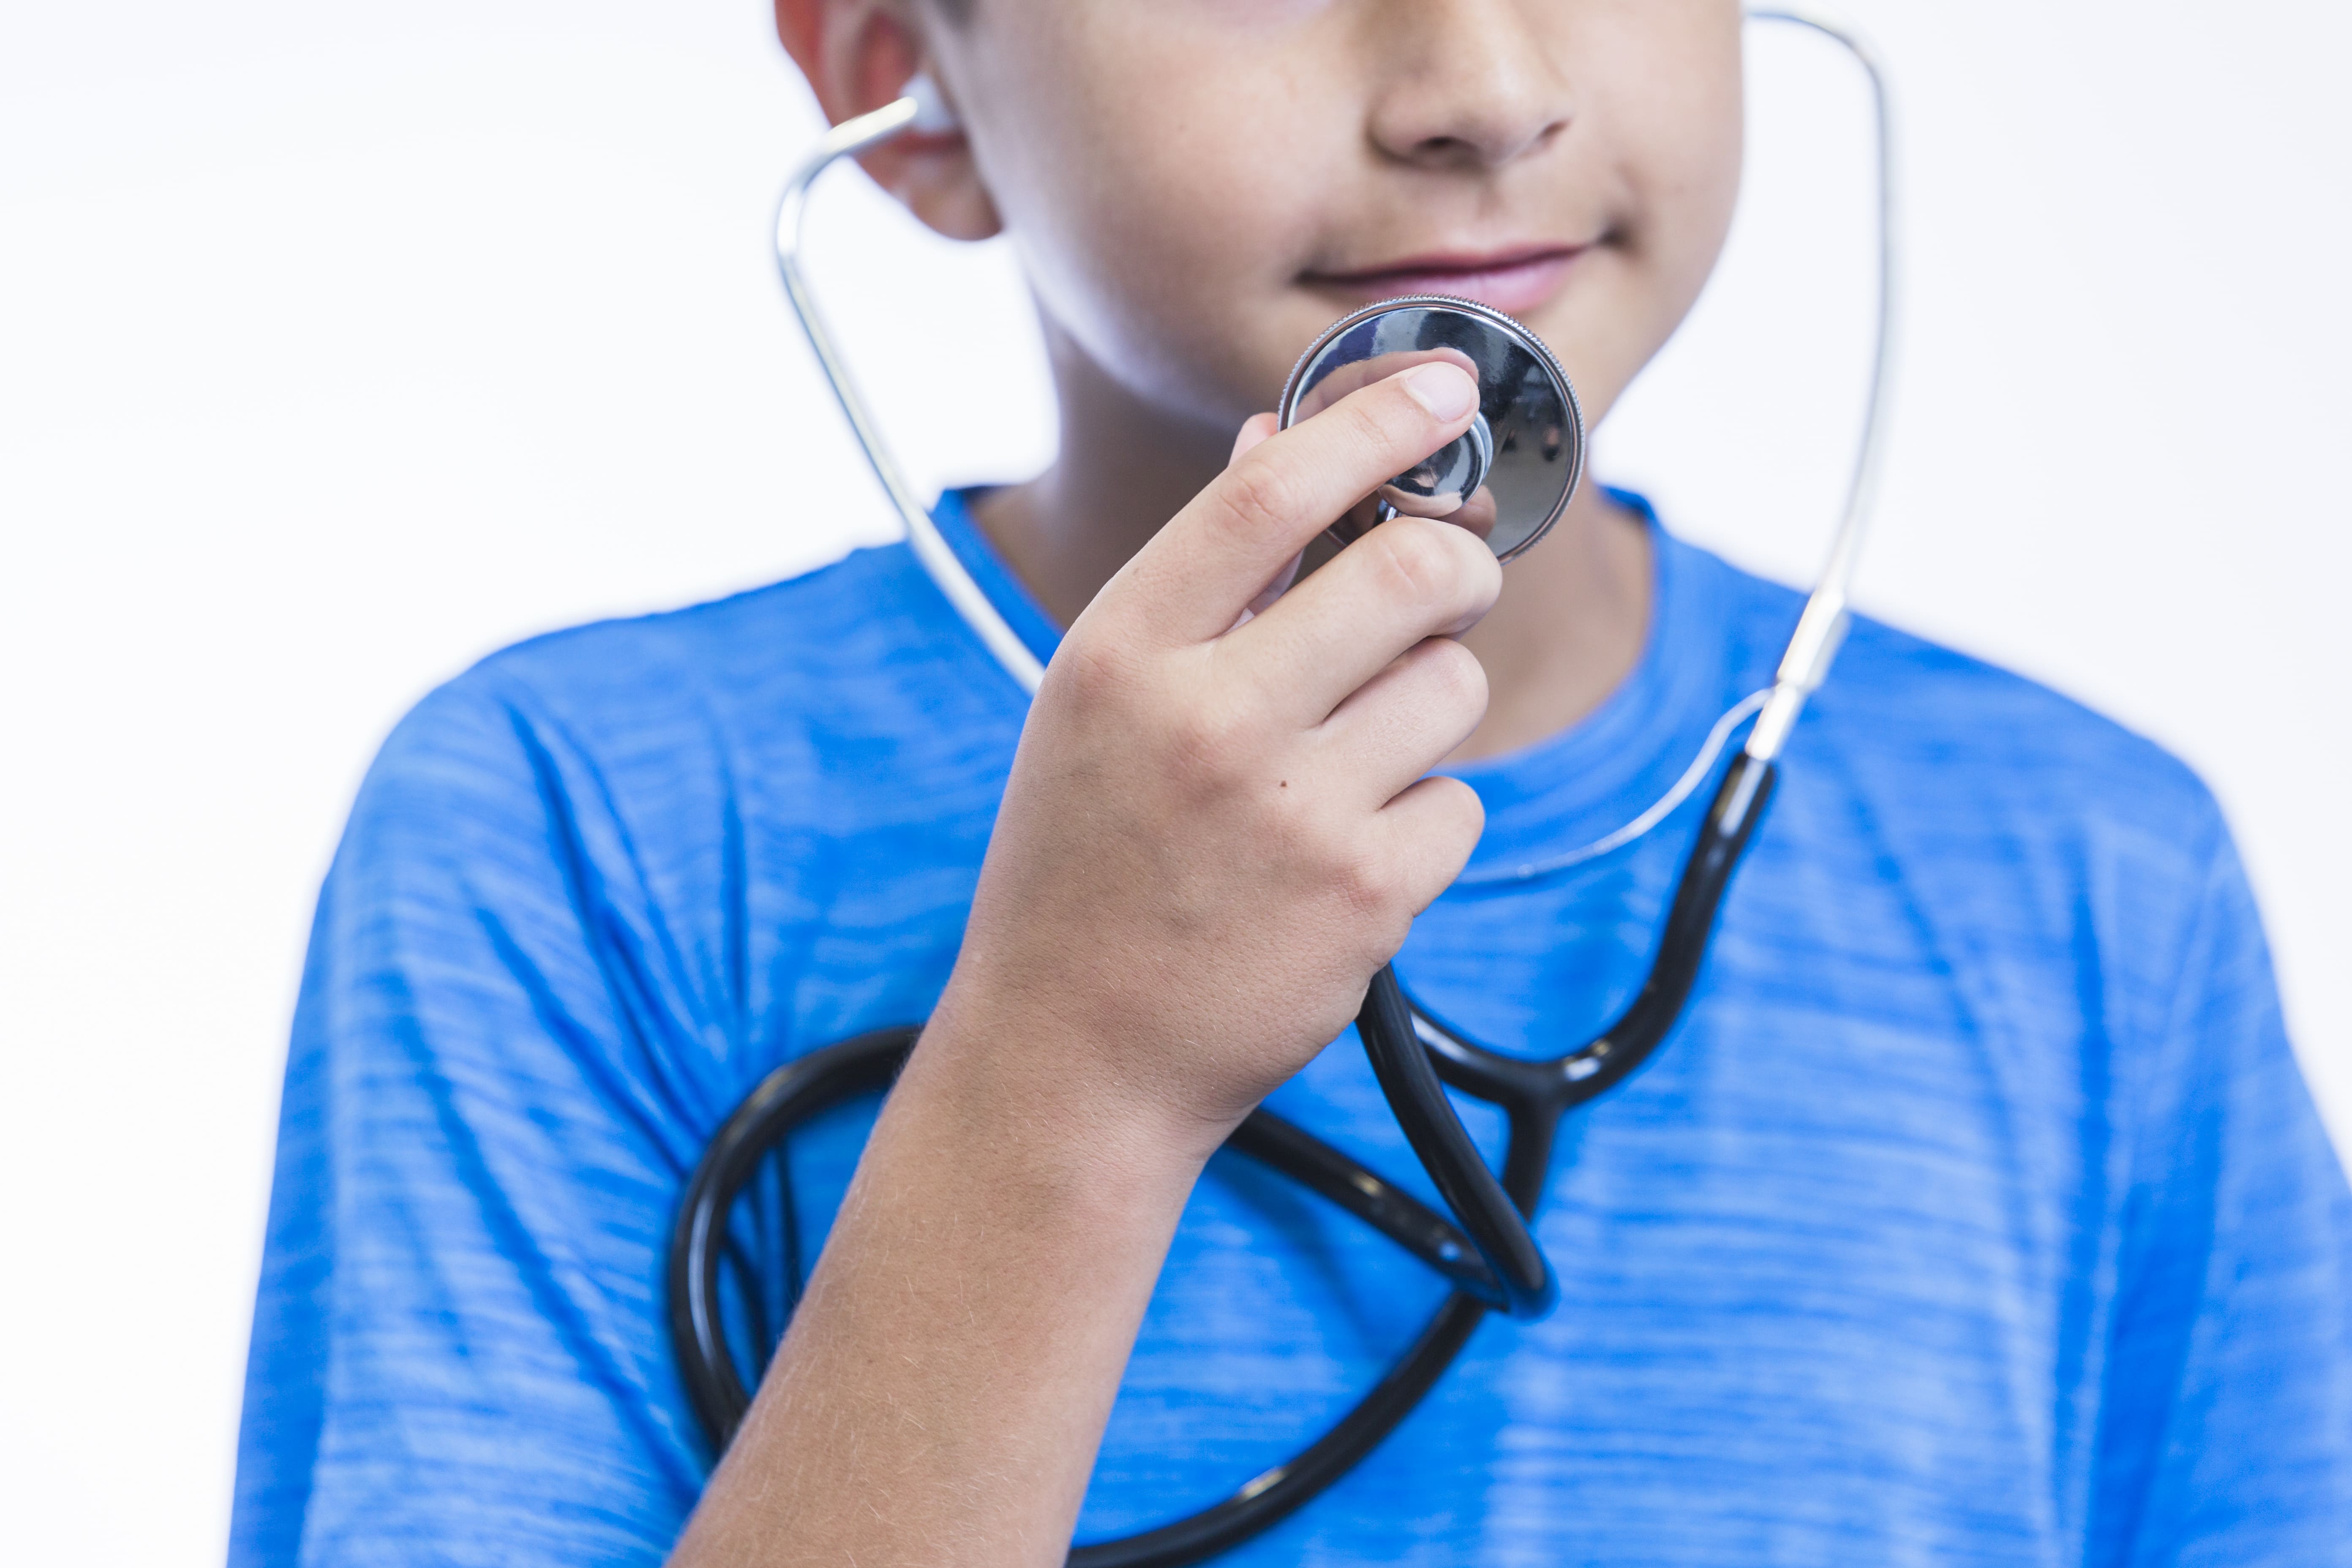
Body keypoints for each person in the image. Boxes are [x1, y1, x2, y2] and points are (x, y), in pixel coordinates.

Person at [229, 1, 2352, 1563]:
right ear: (906, 80)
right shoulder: (576, 830)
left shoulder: (2092, 876)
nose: (1486, 88)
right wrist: (1071, 1067)